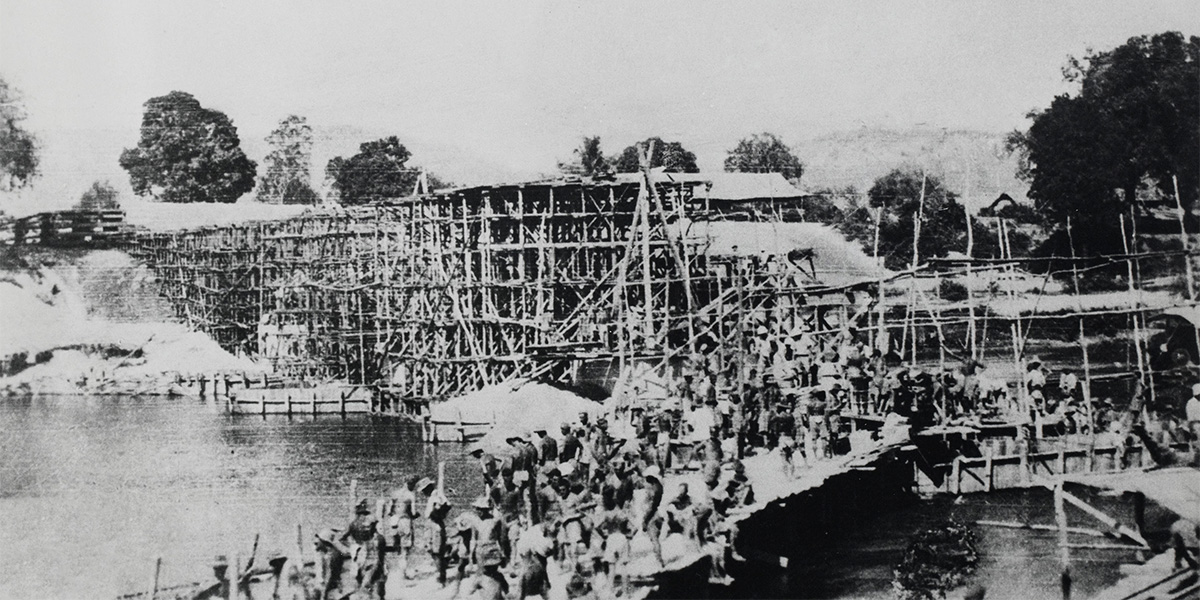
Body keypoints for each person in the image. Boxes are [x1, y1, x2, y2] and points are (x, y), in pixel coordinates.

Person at [339, 499, 385, 600]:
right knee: (371, 579)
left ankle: (360, 595)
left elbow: (341, 538)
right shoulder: (370, 521)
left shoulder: (352, 523)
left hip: (356, 550)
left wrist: (350, 546)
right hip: (369, 550)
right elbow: (377, 538)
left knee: (358, 577)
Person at [384, 476, 419, 580]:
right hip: (405, 521)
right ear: (411, 484)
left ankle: (390, 571)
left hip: (394, 521)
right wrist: (416, 515)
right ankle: (402, 575)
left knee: (395, 547)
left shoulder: (395, 493)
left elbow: (388, 511)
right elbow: (412, 512)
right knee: (405, 550)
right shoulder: (411, 495)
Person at [419, 477, 451, 586]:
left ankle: (441, 576)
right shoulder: (433, 495)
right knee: (431, 549)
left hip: (435, 524)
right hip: (432, 524)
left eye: (424, 490)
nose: (423, 493)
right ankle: (441, 571)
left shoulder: (436, 495)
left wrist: (436, 513)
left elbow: (443, 505)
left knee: (437, 552)